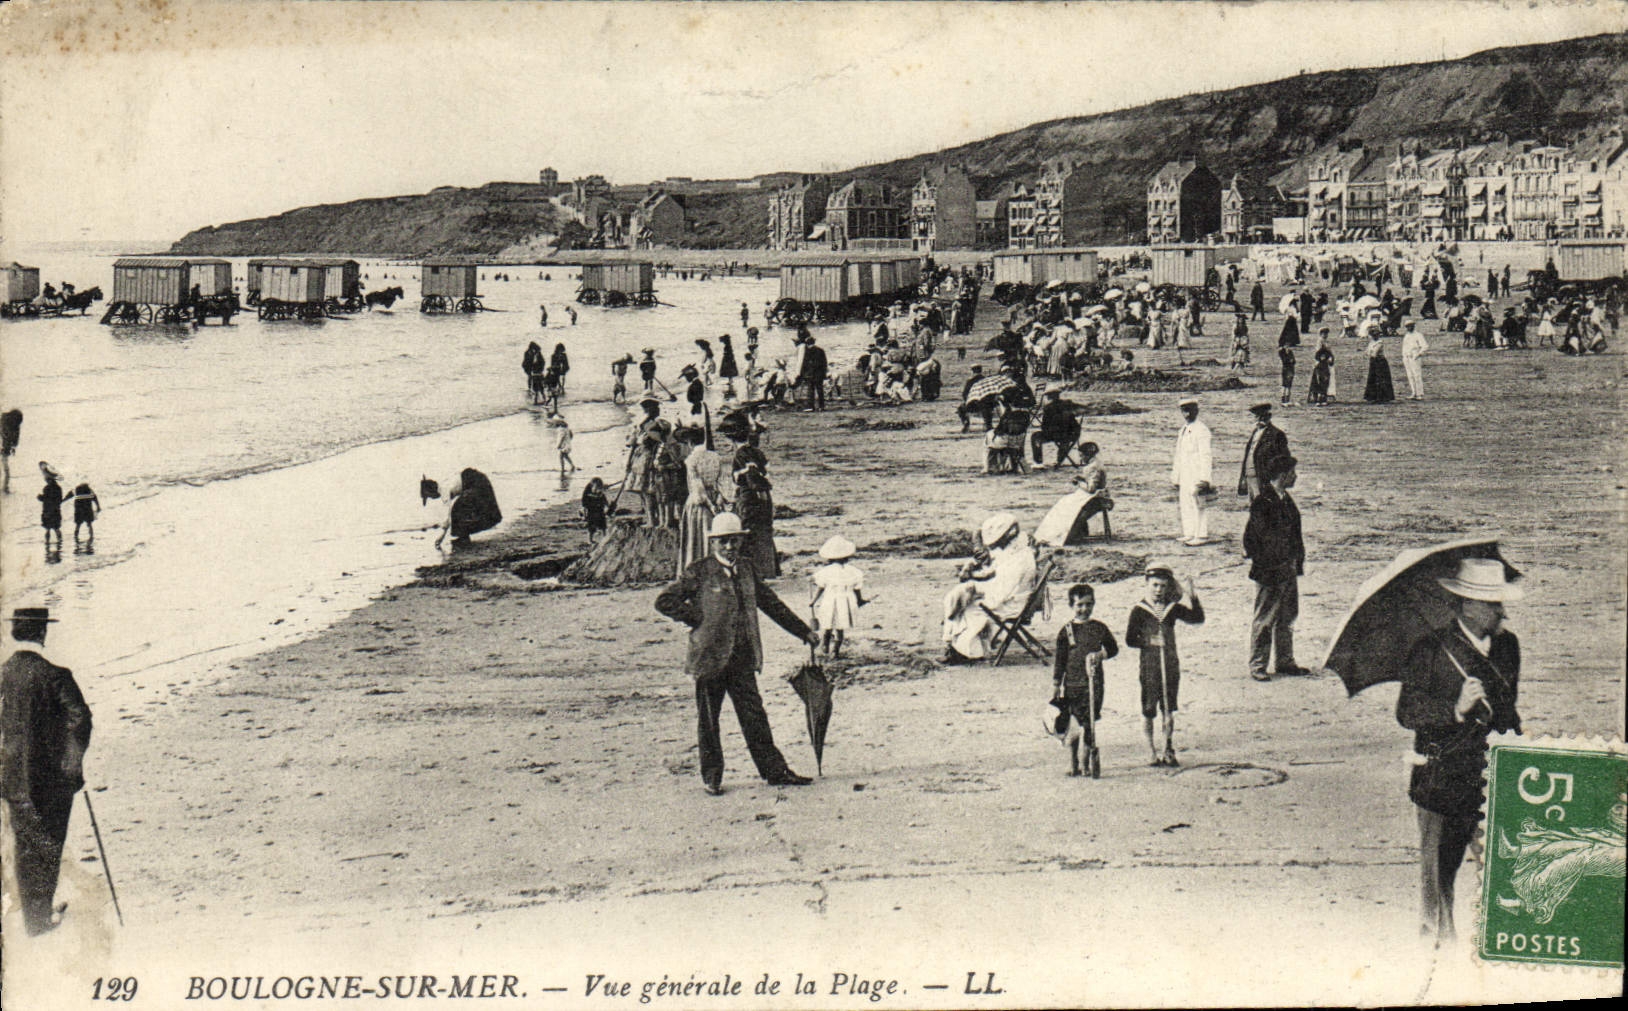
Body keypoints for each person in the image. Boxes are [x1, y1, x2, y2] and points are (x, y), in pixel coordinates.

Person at [1397, 557, 1523, 940]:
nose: (1500, 611)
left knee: (1504, 870)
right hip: (1441, 780)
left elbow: (1507, 707)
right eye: (1491, 604)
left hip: (1490, 776)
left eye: (1499, 602)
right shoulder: (1429, 650)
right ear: (1467, 605)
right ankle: (1437, 953)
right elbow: (1407, 712)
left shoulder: (1508, 647)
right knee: (1438, 877)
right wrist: (1456, 709)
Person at [654, 513, 819, 795]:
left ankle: (775, 772)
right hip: (709, 658)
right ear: (713, 543)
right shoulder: (699, 570)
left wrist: (804, 632)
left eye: (733, 541)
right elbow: (664, 601)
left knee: (755, 716)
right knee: (709, 720)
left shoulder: (746, 569)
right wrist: (695, 617)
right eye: (723, 542)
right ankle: (712, 777)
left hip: (742, 657)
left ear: (741, 541)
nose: (729, 547)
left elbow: (772, 604)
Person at [1, 607, 92, 936]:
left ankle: (33, 918)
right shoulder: (56, 676)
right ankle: (40, 918)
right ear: (41, 633)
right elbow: (80, 719)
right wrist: (71, 762)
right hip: (52, 780)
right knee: (49, 844)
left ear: (16, 633)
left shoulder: (3, 675)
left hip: (12, 780)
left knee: (25, 846)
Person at [1124, 561, 1203, 767]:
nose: (1158, 590)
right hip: (1149, 668)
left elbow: (1197, 618)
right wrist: (1149, 641)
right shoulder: (1139, 610)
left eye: (1163, 586)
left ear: (1169, 586)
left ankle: (1168, 747)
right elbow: (1130, 639)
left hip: (1170, 665)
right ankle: (1151, 751)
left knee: (1168, 709)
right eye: (1155, 585)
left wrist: (1192, 595)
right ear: (1147, 584)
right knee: (1149, 709)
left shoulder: (1172, 608)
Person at [941, 512, 1039, 664]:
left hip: (1012, 605)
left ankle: (964, 651)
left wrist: (975, 589)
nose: (997, 547)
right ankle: (958, 645)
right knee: (960, 597)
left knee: (965, 606)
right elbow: (999, 574)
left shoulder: (1018, 562)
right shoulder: (1020, 552)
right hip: (1015, 598)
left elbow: (998, 597)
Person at [1242, 456, 1306, 683]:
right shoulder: (1263, 502)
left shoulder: (1284, 499)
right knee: (1265, 618)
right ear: (1283, 475)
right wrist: (1270, 563)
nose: (1296, 476)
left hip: (1287, 569)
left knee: (1287, 617)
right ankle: (1258, 665)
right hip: (1270, 571)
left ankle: (1285, 661)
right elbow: (1252, 539)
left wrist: (1295, 563)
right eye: (1293, 472)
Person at [1052, 584, 1118, 778]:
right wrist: (1056, 685)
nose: (1084, 609)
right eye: (1079, 605)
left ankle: (1086, 762)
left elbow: (1113, 649)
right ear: (1071, 605)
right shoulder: (1066, 631)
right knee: (1073, 725)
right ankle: (1073, 762)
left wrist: (1100, 655)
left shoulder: (1099, 628)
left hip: (1094, 684)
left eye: (1088, 604)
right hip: (1072, 685)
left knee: (1090, 723)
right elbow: (1060, 661)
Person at [721, 413, 779, 578]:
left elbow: (749, 478)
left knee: (747, 532)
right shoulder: (757, 452)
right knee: (763, 531)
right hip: (764, 497)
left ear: (731, 439)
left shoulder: (740, 455)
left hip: (749, 498)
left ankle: (751, 571)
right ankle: (768, 569)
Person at [678, 425, 730, 576]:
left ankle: (697, 570)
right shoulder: (715, 456)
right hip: (715, 496)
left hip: (700, 502)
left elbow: (697, 487)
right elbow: (722, 480)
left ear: (690, 443)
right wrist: (719, 499)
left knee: (697, 536)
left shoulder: (690, 460)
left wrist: (709, 504)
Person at [1036, 444, 1111, 546]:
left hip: (1096, 498)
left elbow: (1091, 489)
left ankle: (1069, 534)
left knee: (1066, 505)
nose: (1080, 458)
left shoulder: (1092, 467)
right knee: (1066, 502)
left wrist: (1079, 483)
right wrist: (1082, 478)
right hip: (1096, 496)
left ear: (1087, 455)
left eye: (1081, 455)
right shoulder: (1096, 464)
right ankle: (1075, 532)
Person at [811, 535, 867, 659]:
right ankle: (835, 651)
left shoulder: (825, 571)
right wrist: (860, 600)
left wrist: (813, 601)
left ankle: (825, 646)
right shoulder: (853, 571)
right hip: (846, 600)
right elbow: (857, 589)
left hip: (830, 600)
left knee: (828, 624)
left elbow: (820, 587)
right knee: (840, 628)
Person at [1170, 398, 1213, 547]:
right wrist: (1176, 476)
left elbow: (1206, 455)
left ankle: (1201, 534)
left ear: (1196, 411)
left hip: (1196, 473)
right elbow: (1178, 455)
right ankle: (1189, 532)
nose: (1187, 414)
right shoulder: (1182, 430)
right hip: (1185, 474)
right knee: (1185, 503)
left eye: (1190, 410)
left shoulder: (1202, 430)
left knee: (1198, 503)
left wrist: (1205, 478)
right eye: (1184, 411)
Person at [432, 467, 502, 549]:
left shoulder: (444, 491)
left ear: (431, 491)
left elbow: (448, 518)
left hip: (476, 482)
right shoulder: (444, 484)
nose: (432, 498)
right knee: (460, 508)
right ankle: (464, 536)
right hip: (478, 479)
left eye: (430, 496)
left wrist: (441, 537)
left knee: (457, 509)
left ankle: (463, 538)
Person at [1237, 401, 1289, 502]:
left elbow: (1284, 460)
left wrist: (1276, 481)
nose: (1260, 419)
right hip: (1250, 475)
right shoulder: (1255, 432)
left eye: (1263, 416)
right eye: (1257, 417)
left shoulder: (1277, 434)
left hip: (1265, 479)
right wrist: (1244, 476)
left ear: (1269, 417)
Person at [1031, 388, 1084, 469]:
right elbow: (1081, 411)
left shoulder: (1048, 407)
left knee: (1035, 436)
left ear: (1049, 397)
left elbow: (1045, 426)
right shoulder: (1068, 404)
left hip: (1056, 435)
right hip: (1072, 434)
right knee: (1064, 438)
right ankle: (1060, 460)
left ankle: (1038, 462)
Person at [796, 334, 828, 412]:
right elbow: (824, 363)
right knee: (820, 390)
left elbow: (804, 364)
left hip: (811, 374)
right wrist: (824, 373)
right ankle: (821, 406)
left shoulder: (807, 352)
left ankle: (811, 406)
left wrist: (801, 374)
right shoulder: (821, 350)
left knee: (811, 391)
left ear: (807, 343)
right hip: (819, 374)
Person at [1364, 333, 1396, 404]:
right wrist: (1369, 352)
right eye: (1373, 335)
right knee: (1373, 378)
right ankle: (1373, 396)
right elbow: (1366, 352)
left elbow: (1374, 354)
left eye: (1375, 335)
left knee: (1380, 379)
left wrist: (1369, 352)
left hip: (1380, 362)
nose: (1374, 336)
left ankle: (1382, 397)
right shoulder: (1372, 342)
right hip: (1373, 362)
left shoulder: (1380, 343)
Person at [37, 462, 63, 550]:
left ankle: (47, 545)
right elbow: (59, 500)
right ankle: (60, 543)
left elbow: (45, 499)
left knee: (47, 529)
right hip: (56, 511)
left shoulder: (46, 488)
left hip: (47, 511)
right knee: (57, 529)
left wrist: (40, 497)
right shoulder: (58, 488)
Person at [1400, 321, 1429, 401]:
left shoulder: (1418, 335)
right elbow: (1404, 346)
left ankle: (1419, 393)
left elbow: (1425, 346)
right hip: (1407, 357)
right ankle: (1413, 392)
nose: (1409, 328)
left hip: (1414, 356)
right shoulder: (1407, 335)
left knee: (1417, 375)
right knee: (1410, 375)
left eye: (1410, 326)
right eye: (1407, 326)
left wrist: (1418, 354)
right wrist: (1404, 355)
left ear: (1413, 326)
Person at [1308, 332, 1333, 407]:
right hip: (1319, 366)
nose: (1325, 335)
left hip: (1325, 365)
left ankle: (1323, 398)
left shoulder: (1326, 346)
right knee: (1319, 381)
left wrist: (1330, 359)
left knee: (1325, 381)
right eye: (1324, 334)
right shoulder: (1319, 344)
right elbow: (1317, 356)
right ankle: (1318, 398)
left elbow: (1330, 355)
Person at [580, 477, 608, 543]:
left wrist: (607, 505)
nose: (598, 488)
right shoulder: (587, 492)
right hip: (591, 511)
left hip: (600, 510)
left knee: (603, 524)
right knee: (592, 526)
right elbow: (584, 502)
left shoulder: (601, 493)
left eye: (599, 486)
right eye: (596, 486)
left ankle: (605, 536)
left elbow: (604, 499)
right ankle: (590, 539)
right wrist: (584, 509)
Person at [1, 408, 22, 493]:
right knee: (6, 470)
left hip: (4, 450)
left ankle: (5, 487)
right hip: (4, 451)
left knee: (5, 470)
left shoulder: (3, 419)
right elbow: (14, 442)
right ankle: (5, 488)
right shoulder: (14, 428)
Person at [718, 333, 740, 400]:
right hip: (729, 359)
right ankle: (730, 381)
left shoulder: (727, 346)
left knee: (728, 370)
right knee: (730, 371)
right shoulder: (728, 345)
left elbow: (729, 353)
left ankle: (730, 381)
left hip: (727, 359)